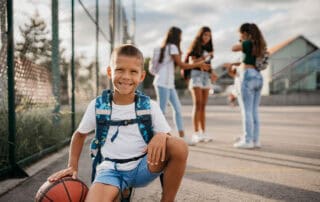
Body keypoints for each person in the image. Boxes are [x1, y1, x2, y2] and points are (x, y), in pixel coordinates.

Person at [48, 44, 188, 201]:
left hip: (143, 166)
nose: (126, 76)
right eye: (120, 70)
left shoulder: (149, 106)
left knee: (179, 146)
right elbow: (79, 135)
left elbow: (166, 138)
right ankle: (120, 190)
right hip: (110, 170)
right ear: (110, 72)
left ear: (141, 76)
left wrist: (161, 135)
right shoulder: (98, 105)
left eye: (133, 72)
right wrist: (72, 166)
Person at [152, 26, 210, 146]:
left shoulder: (167, 48)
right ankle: (157, 137)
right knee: (161, 111)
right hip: (163, 82)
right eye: (180, 36)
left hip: (169, 84)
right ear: (176, 36)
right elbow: (182, 65)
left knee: (177, 109)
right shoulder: (172, 47)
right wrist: (199, 64)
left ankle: (182, 137)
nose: (181, 38)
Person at [226, 23, 266, 149]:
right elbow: (246, 60)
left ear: (245, 33)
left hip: (247, 75)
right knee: (254, 111)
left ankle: (247, 140)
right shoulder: (259, 45)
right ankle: (255, 140)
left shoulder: (248, 43)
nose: (239, 36)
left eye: (240, 34)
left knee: (246, 111)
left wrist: (242, 41)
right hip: (258, 76)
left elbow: (233, 48)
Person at [186, 26, 217, 143]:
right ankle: (196, 133)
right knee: (197, 104)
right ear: (200, 35)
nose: (207, 37)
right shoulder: (195, 46)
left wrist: (213, 73)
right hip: (196, 75)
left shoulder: (209, 47)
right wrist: (205, 57)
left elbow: (209, 65)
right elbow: (192, 62)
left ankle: (203, 132)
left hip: (206, 77)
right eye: (205, 35)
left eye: (209, 35)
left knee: (203, 106)